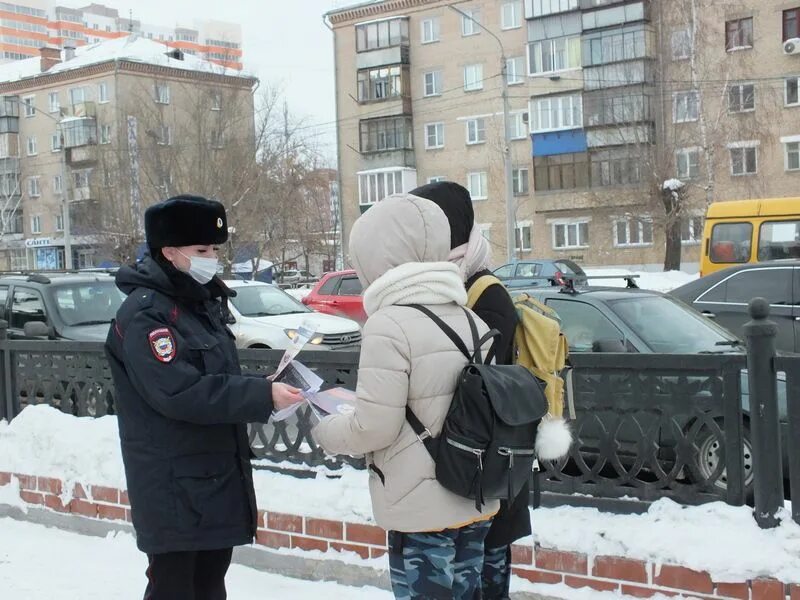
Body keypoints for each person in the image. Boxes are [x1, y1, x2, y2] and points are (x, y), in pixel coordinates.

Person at [105, 195, 303, 600]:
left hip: (211, 478)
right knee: (176, 588)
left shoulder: (198, 304)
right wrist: (260, 395)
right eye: (201, 250)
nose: (211, 257)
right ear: (169, 252)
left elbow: (213, 377)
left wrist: (265, 384)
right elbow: (180, 391)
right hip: (174, 487)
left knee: (210, 586)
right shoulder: (148, 315)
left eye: (214, 249)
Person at [312, 193, 499, 600]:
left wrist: (326, 431)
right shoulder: (471, 317)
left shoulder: (388, 325)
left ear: (377, 258)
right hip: (473, 494)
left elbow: (374, 427)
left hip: (420, 511)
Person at [411, 181, 527, 600]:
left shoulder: (483, 294)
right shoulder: (456, 285)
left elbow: (481, 388)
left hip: (488, 468)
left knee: (486, 586)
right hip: (471, 470)